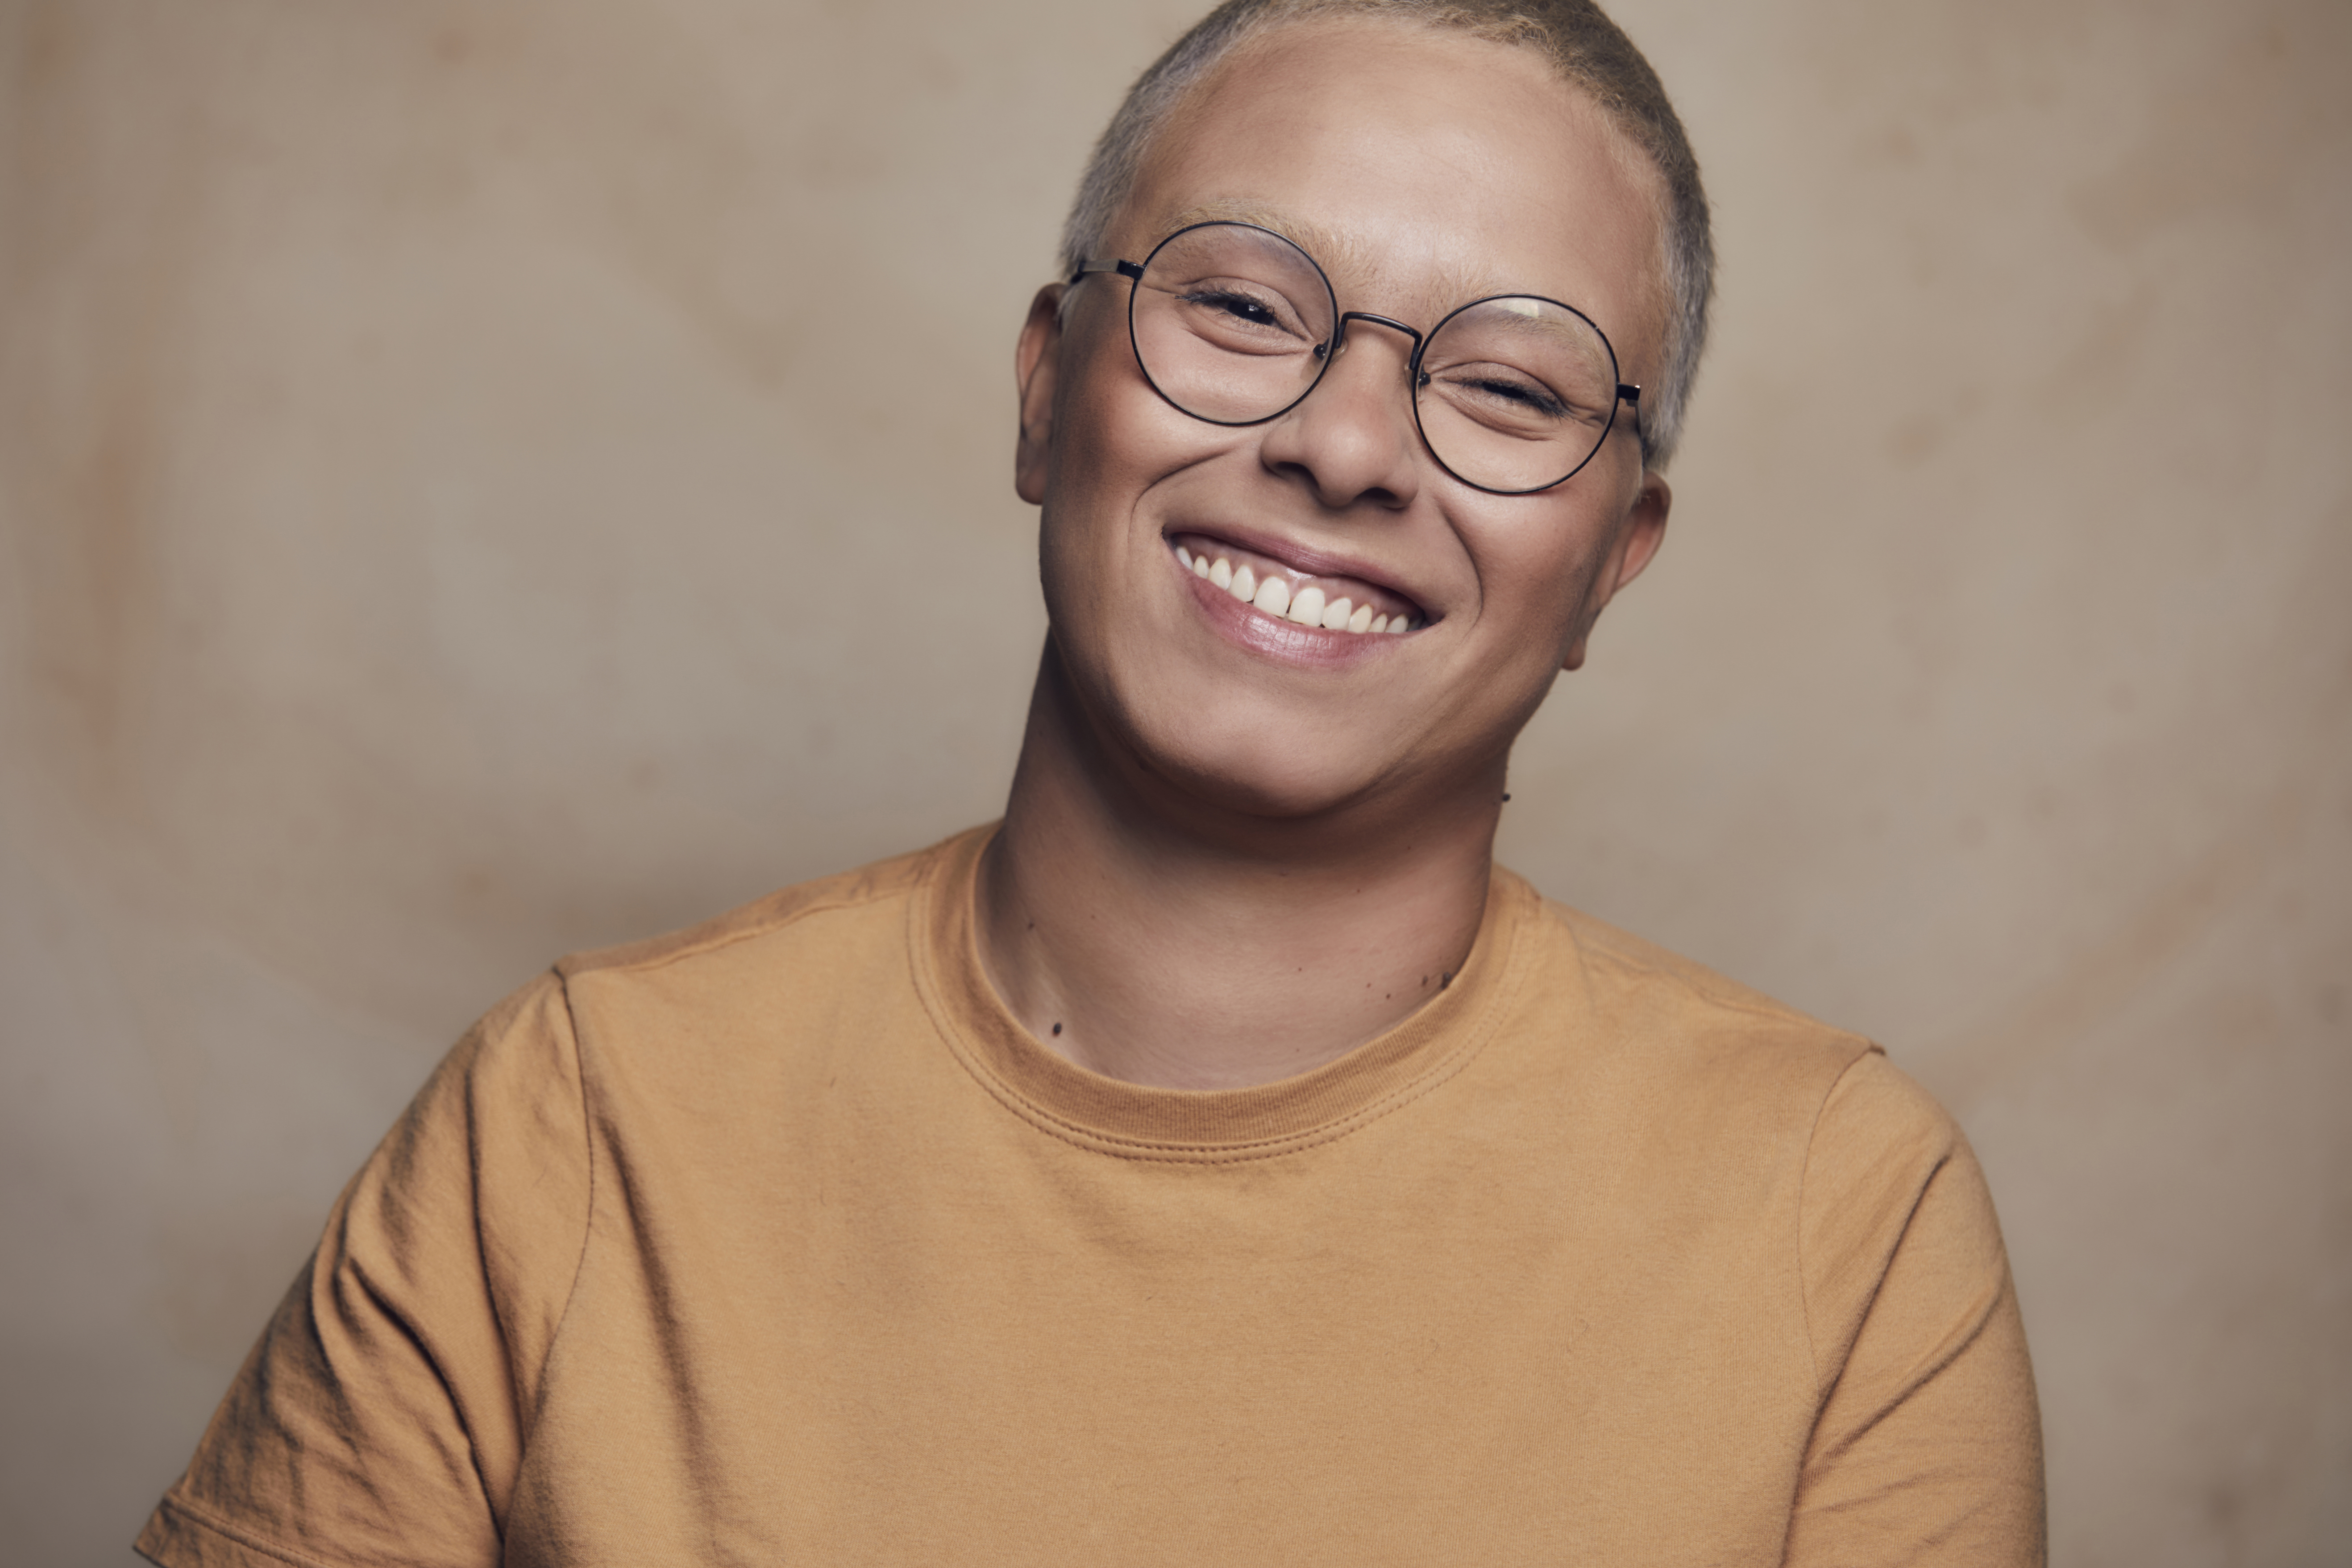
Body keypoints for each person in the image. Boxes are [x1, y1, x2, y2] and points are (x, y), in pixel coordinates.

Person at [137, 1, 2045, 1563]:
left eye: (1511, 388)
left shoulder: (1841, 1222)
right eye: (1247, 305)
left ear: (1612, 563)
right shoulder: (568, 1127)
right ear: (1050, 391)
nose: (1348, 445)